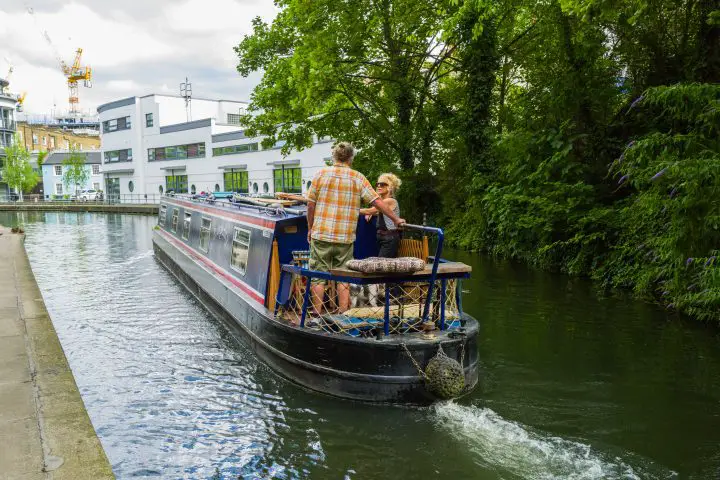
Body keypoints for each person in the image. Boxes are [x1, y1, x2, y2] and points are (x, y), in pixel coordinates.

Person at [306, 142, 405, 314]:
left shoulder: (320, 174)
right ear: (351, 158)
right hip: (345, 237)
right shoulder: (358, 177)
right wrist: (396, 219)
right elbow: (377, 202)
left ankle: (316, 314)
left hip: (320, 234)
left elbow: (310, 205)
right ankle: (343, 313)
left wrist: (310, 227)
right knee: (344, 275)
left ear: (334, 157)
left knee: (317, 275)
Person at [360, 173, 402, 258]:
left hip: (390, 238)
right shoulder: (384, 202)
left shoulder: (390, 200)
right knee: (383, 266)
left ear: (390, 186)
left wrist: (350, 209)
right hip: (383, 238)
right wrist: (372, 213)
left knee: (381, 266)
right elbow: (376, 211)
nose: (379, 186)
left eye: (382, 184)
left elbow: (369, 211)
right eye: (377, 184)